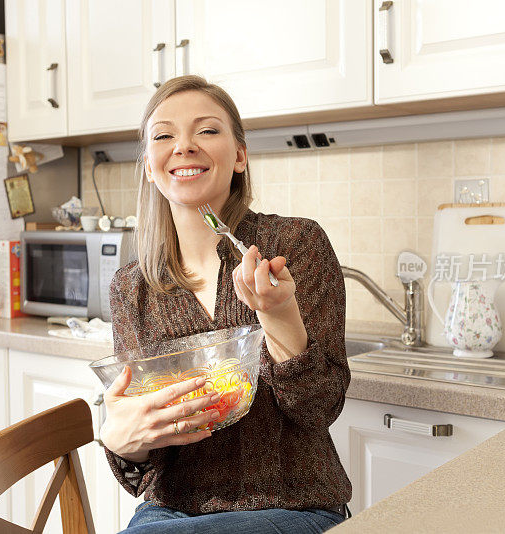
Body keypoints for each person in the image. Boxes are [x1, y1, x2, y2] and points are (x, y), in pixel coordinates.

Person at [100, 75, 351, 534]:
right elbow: (144, 469)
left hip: (296, 507)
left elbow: (318, 410)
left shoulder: (297, 245)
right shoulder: (130, 288)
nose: (184, 146)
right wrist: (121, 441)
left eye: (207, 130)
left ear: (239, 156)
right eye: (164, 135)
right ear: (149, 167)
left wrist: (279, 316)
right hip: (170, 514)